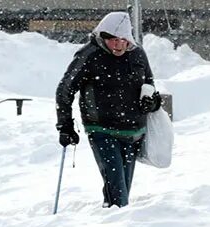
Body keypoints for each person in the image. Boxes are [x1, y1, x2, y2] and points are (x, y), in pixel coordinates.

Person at [55, 11, 162, 208]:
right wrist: (65, 125)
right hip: (102, 130)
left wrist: (153, 103)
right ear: (102, 37)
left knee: (121, 190)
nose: (117, 44)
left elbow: (150, 86)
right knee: (118, 190)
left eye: (122, 40)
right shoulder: (89, 55)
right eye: (111, 39)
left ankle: (111, 219)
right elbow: (65, 89)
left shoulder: (138, 54)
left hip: (133, 132)